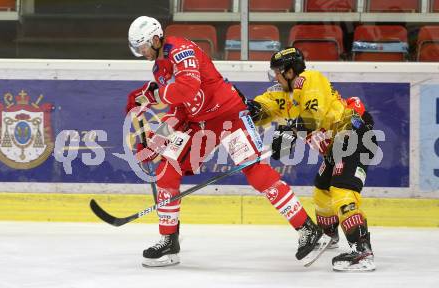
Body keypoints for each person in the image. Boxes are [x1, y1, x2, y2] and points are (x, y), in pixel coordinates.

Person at [125, 16, 330, 267]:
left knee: (257, 173)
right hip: (200, 123)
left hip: (229, 116)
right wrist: (158, 141)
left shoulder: (181, 51)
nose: (142, 52)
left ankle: (307, 229)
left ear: (156, 39)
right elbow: (182, 107)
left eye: (143, 46)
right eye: (138, 48)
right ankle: (169, 241)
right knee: (166, 169)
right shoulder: (159, 67)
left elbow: (188, 88)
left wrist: (154, 94)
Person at [246, 47, 376, 272]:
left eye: (277, 72)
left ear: (289, 72)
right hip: (336, 147)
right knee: (322, 191)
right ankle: (329, 235)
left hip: (354, 138)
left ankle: (362, 251)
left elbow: (312, 116)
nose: (274, 77)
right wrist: (245, 107)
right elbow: (262, 108)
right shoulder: (283, 94)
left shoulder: (309, 79)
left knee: (341, 191)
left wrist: (289, 131)